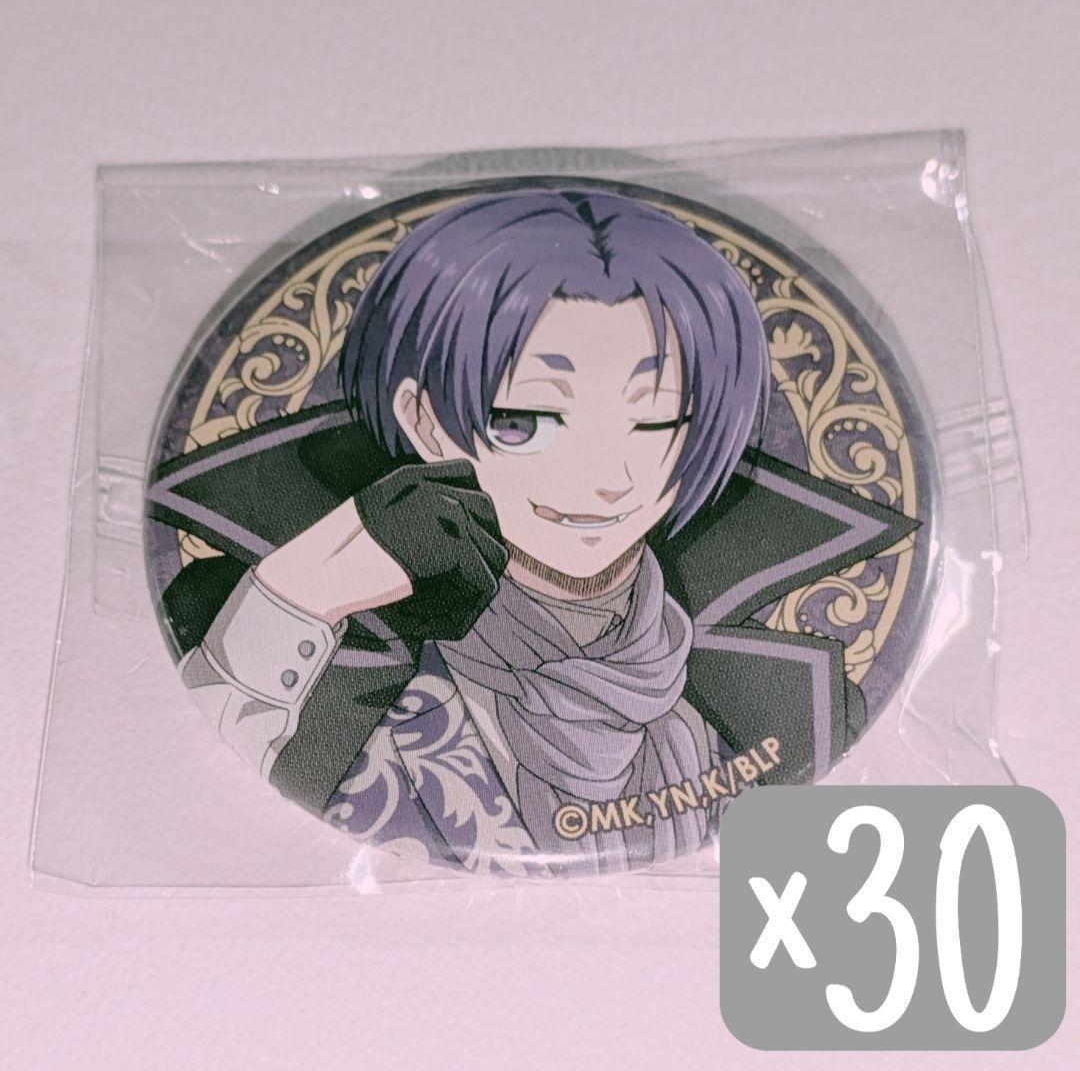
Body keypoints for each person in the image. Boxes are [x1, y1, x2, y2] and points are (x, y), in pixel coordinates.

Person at [153, 188, 911, 877]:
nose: (607, 478)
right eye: (526, 421)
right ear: (425, 422)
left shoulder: (792, 706)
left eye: (654, 421)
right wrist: (297, 594)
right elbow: (201, 802)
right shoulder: (307, 658)